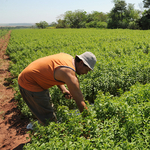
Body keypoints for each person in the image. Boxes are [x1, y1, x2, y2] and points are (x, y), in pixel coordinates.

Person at [18, 52, 96, 125]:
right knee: (48, 119)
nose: (86, 73)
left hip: (32, 77)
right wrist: (89, 122)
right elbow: (80, 102)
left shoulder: (67, 58)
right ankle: (47, 135)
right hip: (29, 83)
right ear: (81, 63)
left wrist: (64, 90)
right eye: (87, 70)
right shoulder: (70, 75)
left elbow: (53, 72)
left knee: (47, 109)